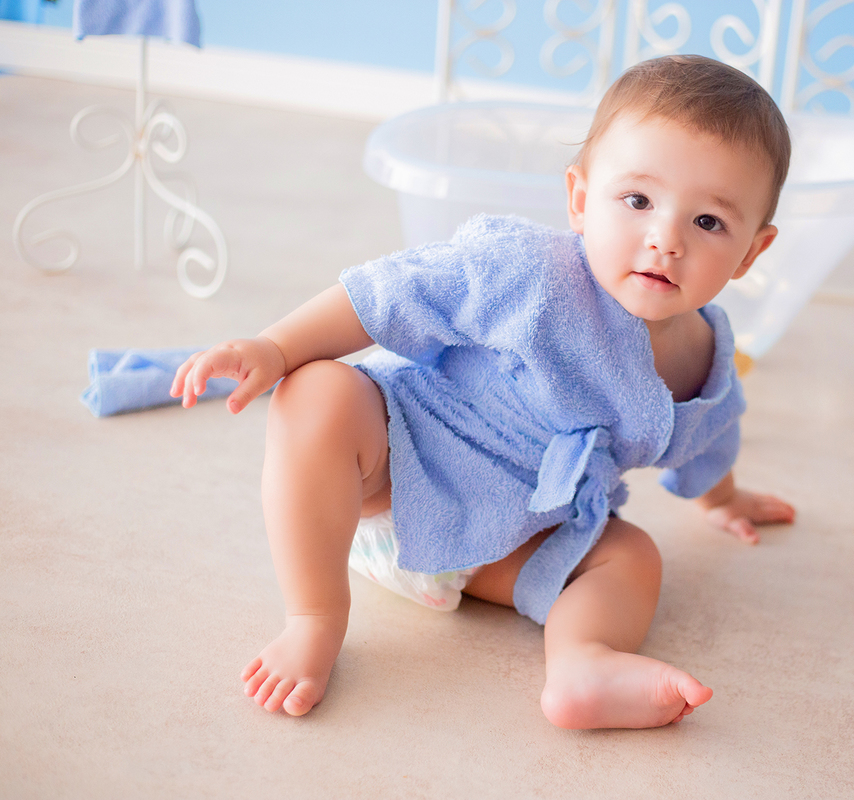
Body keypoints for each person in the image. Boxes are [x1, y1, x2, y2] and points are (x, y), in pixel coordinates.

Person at [171, 54, 795, 730]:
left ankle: (582, 662)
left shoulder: (707, 357)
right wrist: (278, 346)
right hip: (389, 483)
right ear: (581, 200)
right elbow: (394, 291)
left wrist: (723, 497)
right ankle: (314, 619)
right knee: (315, 394)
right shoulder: (528, 272)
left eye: (708, 223)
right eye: (638, 201)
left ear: (751, 253)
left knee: (634, 556)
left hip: (513, 543)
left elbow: (713, 431)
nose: (665, 239)